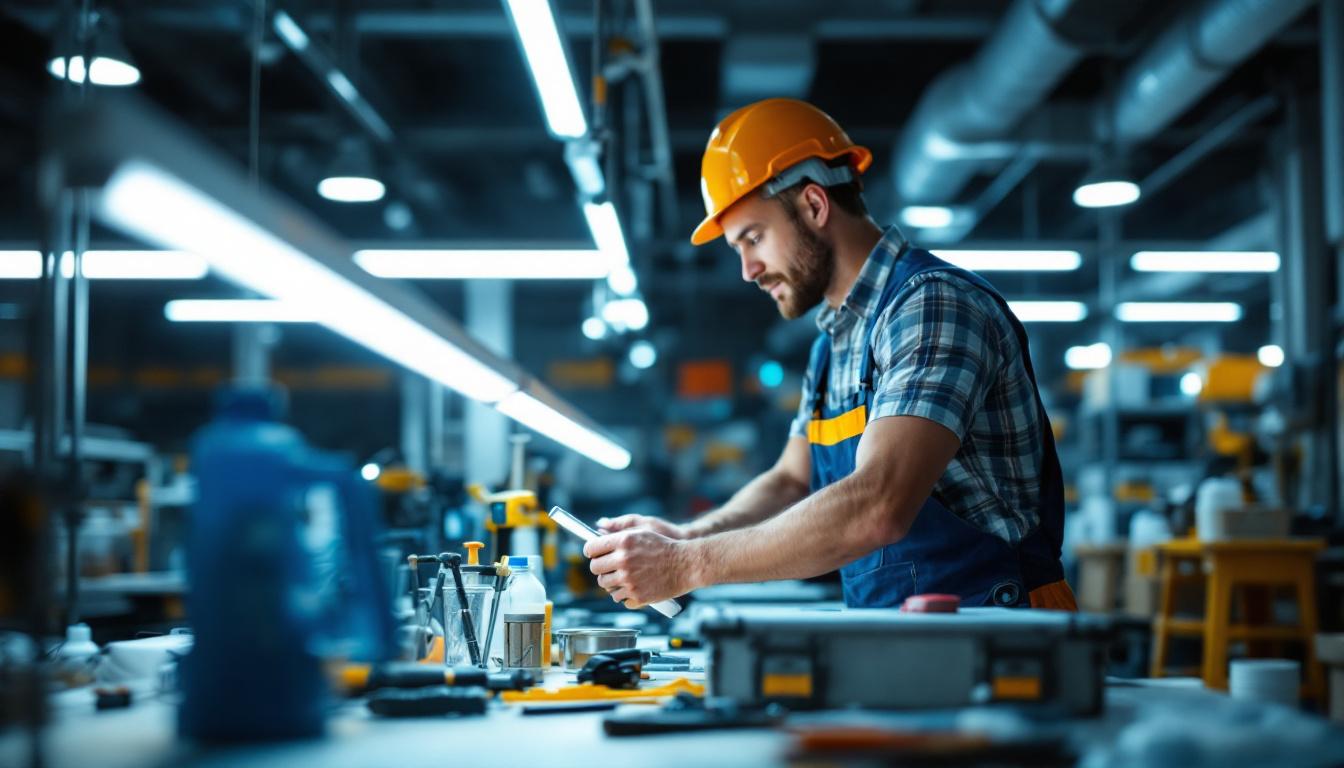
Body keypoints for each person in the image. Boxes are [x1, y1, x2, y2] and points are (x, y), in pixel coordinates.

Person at [584, 98, 1076, 611]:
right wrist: (686, 537)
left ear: (815, 206)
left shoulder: (930, 305)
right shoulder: (831, 346)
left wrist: (687, 565)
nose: (748, 270)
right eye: (738, 250)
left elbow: (877, 506)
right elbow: (792, 482)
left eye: (754, 238)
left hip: (1004, 635)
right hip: (907, 635)